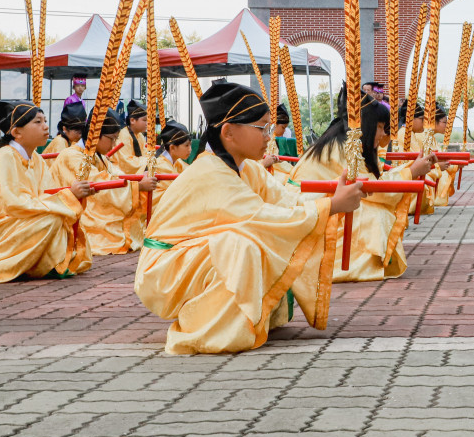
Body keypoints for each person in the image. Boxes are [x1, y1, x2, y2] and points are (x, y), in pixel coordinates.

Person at [134, 82, 364, 354]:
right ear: (229, 132)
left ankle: (248, 316)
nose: (269, 136)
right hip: (165, 267)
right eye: (262, 128)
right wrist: (331, 206)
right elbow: (264, 218)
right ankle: (205, 330)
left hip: (190, 257)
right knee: (242, 245)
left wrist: (330, 202)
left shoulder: (248, 169)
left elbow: (286, 202)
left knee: (261, 240)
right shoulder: (212, 173)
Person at [290, 89, 434, 282]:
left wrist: (411, 169)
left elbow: (369, 183)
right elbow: (372, 190)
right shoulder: (345, 148)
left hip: (320, 204)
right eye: (380, 127)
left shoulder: (346, 144)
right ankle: (345, 267)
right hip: (307, 209)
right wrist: (412, 171)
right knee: (374, 216)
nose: (384, 134)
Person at [0, 100, 93, 282]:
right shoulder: (6, 155)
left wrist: (70, 196)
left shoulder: (37, 160)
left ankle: (40, 263)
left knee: (63, 217)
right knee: (53, 218)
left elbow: (47, 194)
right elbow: (14, 204)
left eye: (45, 121)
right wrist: (68, 196)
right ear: (17, 132)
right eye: (37, 122)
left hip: (14, 223)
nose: (45, 126)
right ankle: (7, 264)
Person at [51, 108, 157, 255]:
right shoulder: (71, 156)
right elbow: (99, 183)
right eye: (112, 139)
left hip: (90, 208)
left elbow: (117, 175)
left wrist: (140, 177)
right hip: (76, 212)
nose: (114, 145)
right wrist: (138, 186)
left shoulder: (98, 156)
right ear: (96, 135)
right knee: (111, 232)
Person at [152, 120, 193, 202]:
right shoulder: (161, 166)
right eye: (186, 145)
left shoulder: (177, 162)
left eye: (190, 145)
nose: (190, 149)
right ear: (172, 148)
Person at [112, 99, 149, 171]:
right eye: (144, 120)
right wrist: (147, 161)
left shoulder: (140, 136)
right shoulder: (123, 135)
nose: (147, 123)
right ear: (132, 120)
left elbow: (145, 154)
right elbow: (126, 162)